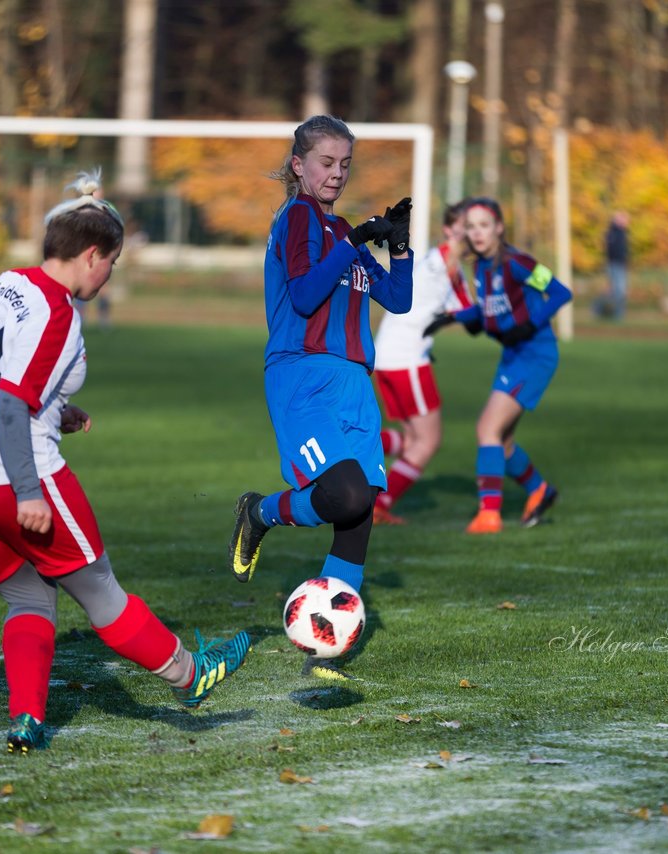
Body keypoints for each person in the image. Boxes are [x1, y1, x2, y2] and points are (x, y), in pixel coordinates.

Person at [0, 170, 250, 754]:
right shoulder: (61, 314)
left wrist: (58, 411)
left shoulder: (8, 283)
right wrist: (27, 492)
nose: (109, 275)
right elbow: (7, 407)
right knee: (100, 590)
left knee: (28, 597)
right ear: (91, 254)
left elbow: (2, 382)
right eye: (112, 263)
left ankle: (26, 720)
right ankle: (188, 675)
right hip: (9, 479)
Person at [226, 115, 413, 680]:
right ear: (298, 165)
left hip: (354, 383)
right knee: (344, 492)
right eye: (327, 163)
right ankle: (259, 512)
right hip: (302, 377)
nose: (337, 174)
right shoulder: (298, 217)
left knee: (360, 512)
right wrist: (357, 240)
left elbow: (398, 301)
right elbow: (306, 296)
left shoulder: (342, 231)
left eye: (345, 164)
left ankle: (326, 650)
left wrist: (398, 246)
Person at [423, 196, 572, 534]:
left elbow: (561, 292)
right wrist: (451, 318)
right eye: (471, 227)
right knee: (501, 440)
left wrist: (532, 323)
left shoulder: (520, 263)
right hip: (513, 355)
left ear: (499, 228)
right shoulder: (481, 267)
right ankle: (539, 490)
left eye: (484, 226)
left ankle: (489, 515)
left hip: (535, 353)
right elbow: (487, 310)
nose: (476, 233)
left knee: (486, 429)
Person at [371, 200, 476, 525]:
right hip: (406, 359)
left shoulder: (441, 262)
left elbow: (465, 314)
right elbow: (472, 318)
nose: (473, 231)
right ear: (449, 229)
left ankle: (365, 453)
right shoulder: (444, 263)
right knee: (428, 441)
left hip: (387, 355)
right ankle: (378, 502)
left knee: (414, 439)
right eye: (467, 225)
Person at [598, 210, 630, 320]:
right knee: (617, 291)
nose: (626, 222)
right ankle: (614, 314)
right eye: (624, 219)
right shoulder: (613, 233)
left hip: (618, 265)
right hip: (614, 265)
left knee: (616, 291)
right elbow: (611, 250)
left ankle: (612, 313)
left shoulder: (621, 233)